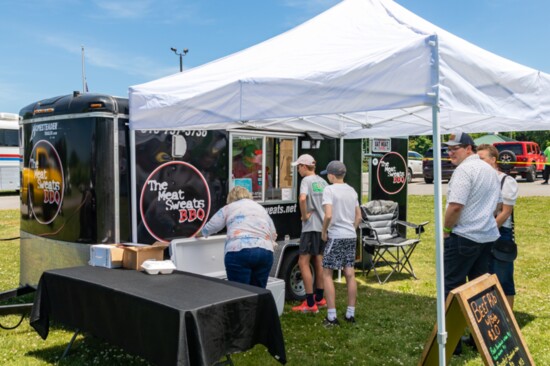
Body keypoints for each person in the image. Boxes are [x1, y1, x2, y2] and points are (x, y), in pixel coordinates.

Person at [442, 132, 501, 355]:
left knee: (453, 289)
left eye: (454, 149)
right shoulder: (490, 170)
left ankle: (452, 343)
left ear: (468, 148)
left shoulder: (465, 170)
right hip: (486, 237)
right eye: (448, 149)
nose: (450, 153)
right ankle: (482, 340)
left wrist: (446, 230)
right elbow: (496, 206)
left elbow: (456, 206)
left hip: (464, 237)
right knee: (480, 292)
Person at [200, 186, 276, 288]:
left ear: (230, 198)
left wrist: (199, 233)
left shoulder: (229, 208)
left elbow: (212, 226)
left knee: (240, 293)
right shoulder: (260, 208)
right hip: (265, 252)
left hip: (238, 251)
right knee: (258, 293)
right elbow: (273, 233)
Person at [320, 160, 362, 326]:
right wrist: (351, 228)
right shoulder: (351, 190)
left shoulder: (329, 190)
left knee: (327, 273)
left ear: (331, 175)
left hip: (336, 235)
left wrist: (324, 231)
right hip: (351, 235)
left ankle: (331, 316)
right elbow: (358, 216)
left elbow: (328, 215)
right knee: (350, 274)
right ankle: (350, 314)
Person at [477, 144, 519, 309]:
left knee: (503, 278)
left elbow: (506, 212)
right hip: (480, 232)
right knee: (483, 278)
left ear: (493, 160)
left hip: (500, 232)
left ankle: (507, 323)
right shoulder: (478, 179)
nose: (478, 163)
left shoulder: (506, 181)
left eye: (482, 159)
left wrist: (488, 231)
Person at [290, 154, 328, 313]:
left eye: (298, 167)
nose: (298, 170)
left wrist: (304, 215)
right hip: (322, 227)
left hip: (310, 227)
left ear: (304, 167)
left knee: (303, 262)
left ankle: (310, 302)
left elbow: (303, 198)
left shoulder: (306, 181)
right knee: (319, 261)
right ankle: (320, 298)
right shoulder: (322, 181)